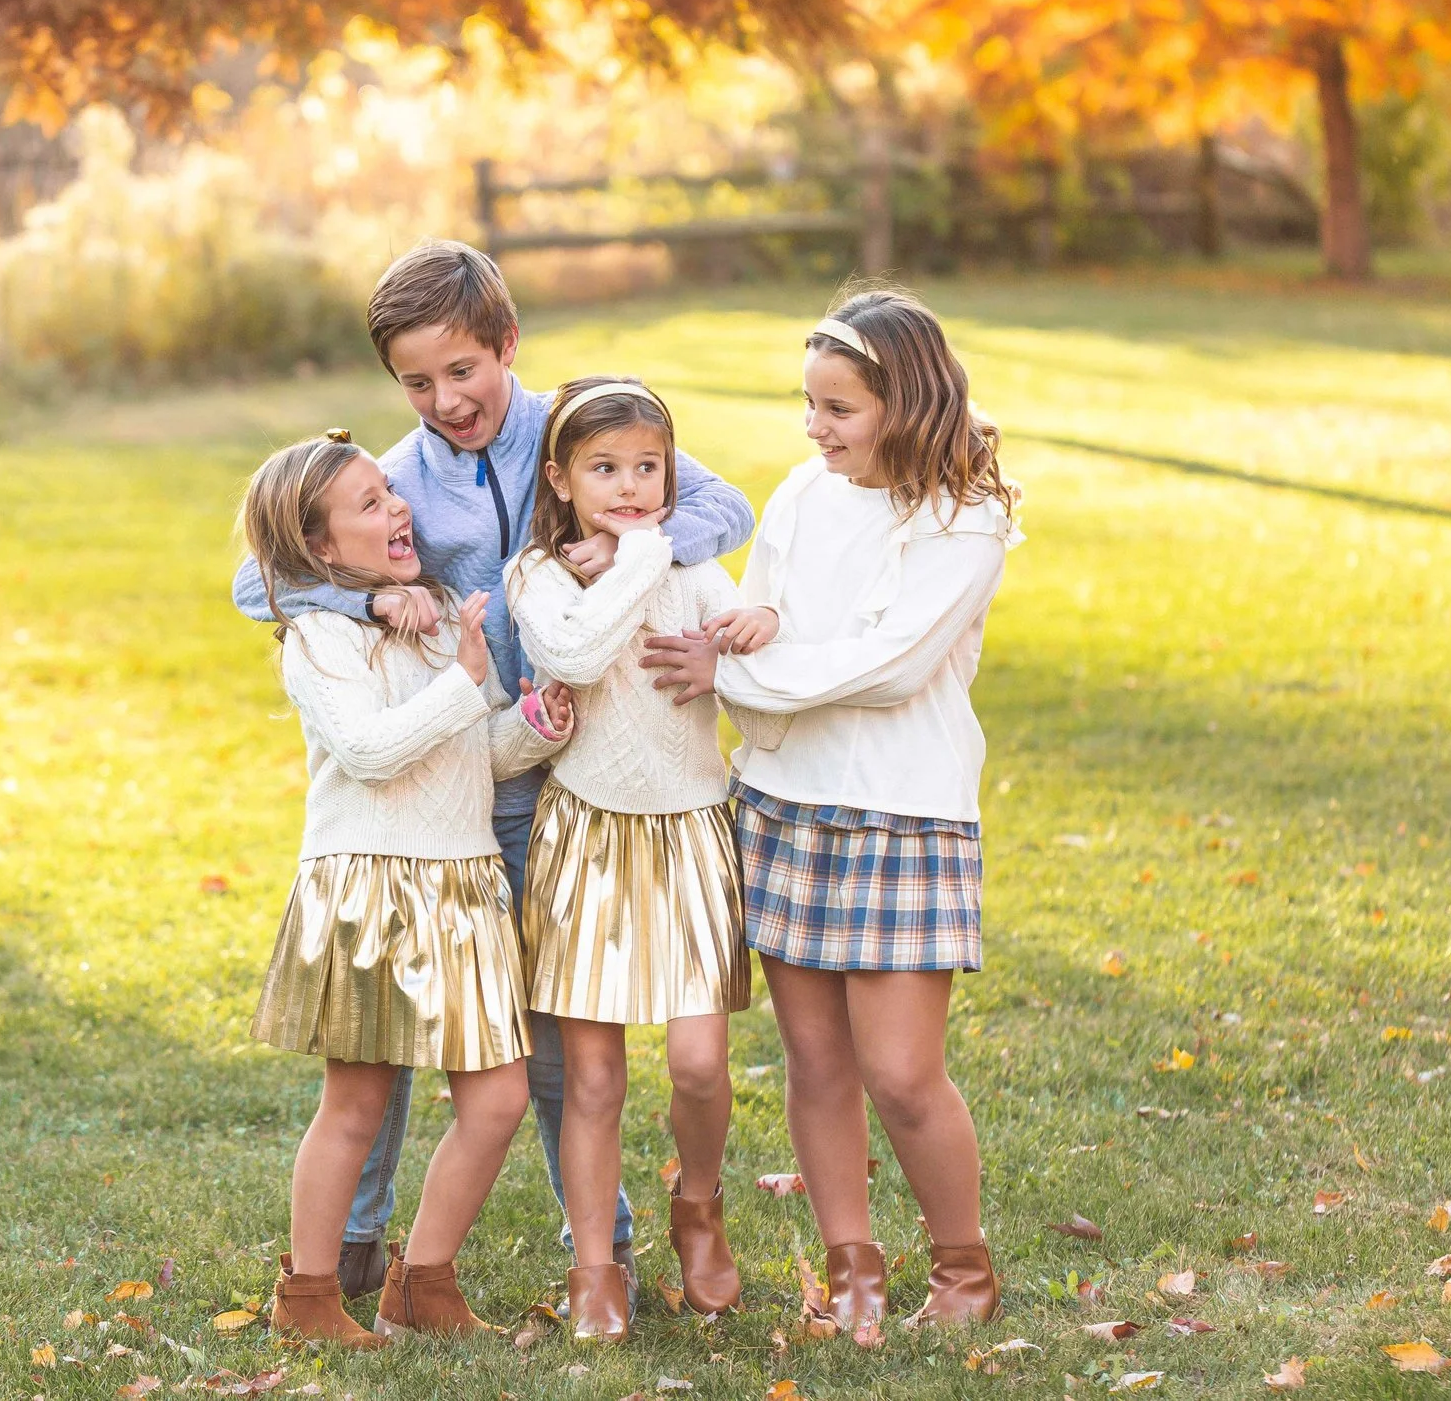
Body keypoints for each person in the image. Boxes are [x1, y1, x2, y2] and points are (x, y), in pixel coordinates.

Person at [234, 240, 756, 1297]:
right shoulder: (400, 479)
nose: (445, 401)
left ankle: (597, 1246)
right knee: (380, 1035)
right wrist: (367, 595)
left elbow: (728, 507)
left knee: (560, 1039)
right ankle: (351, 1243)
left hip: (580, 774)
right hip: (463, 781)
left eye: (462, 370)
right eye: (416, 382)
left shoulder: (582, 431)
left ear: (508, 343)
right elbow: (262, 582)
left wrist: (634, 538)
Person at [643, 285, 1020, 1343]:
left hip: (903, 813)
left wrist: (732, 676)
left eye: (839, 408)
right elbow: (755, 614)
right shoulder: (805, 492)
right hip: (783, 799)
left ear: (908, 403)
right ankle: (853, 1265)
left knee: (901, 1071)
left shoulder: (967, 518)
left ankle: (963, 1263)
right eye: (808, 403)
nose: (815, 427)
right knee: (816, 1061)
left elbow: (890, 666)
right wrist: (745, 636)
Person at [241, 432, 575, 1344]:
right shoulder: (319, 636)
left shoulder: (435, 614)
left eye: (389, 490)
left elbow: (475, 749)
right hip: (373, 884)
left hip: (463, 881)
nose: (397, 508)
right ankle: (309, 1296)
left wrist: (535, 724)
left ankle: (423, 1281)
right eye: (368, 503)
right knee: (355, 1103)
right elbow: (369, 751)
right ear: (319, 546)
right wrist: (464, 679)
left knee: (498, 1098)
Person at [502, 376, 768, 1340]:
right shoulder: (538, 575)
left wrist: (749, 639)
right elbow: (575, 656)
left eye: (647, 468)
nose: (628, 487)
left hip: (690, 827)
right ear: (560, 479)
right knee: (594, 1078)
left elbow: (753, 662)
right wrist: (641, 553)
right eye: (604, 468)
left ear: (670, 473)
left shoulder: (695, 570)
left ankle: (698, 1207)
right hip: (586, 838)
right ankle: (595, 1265)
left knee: (698, 1063)